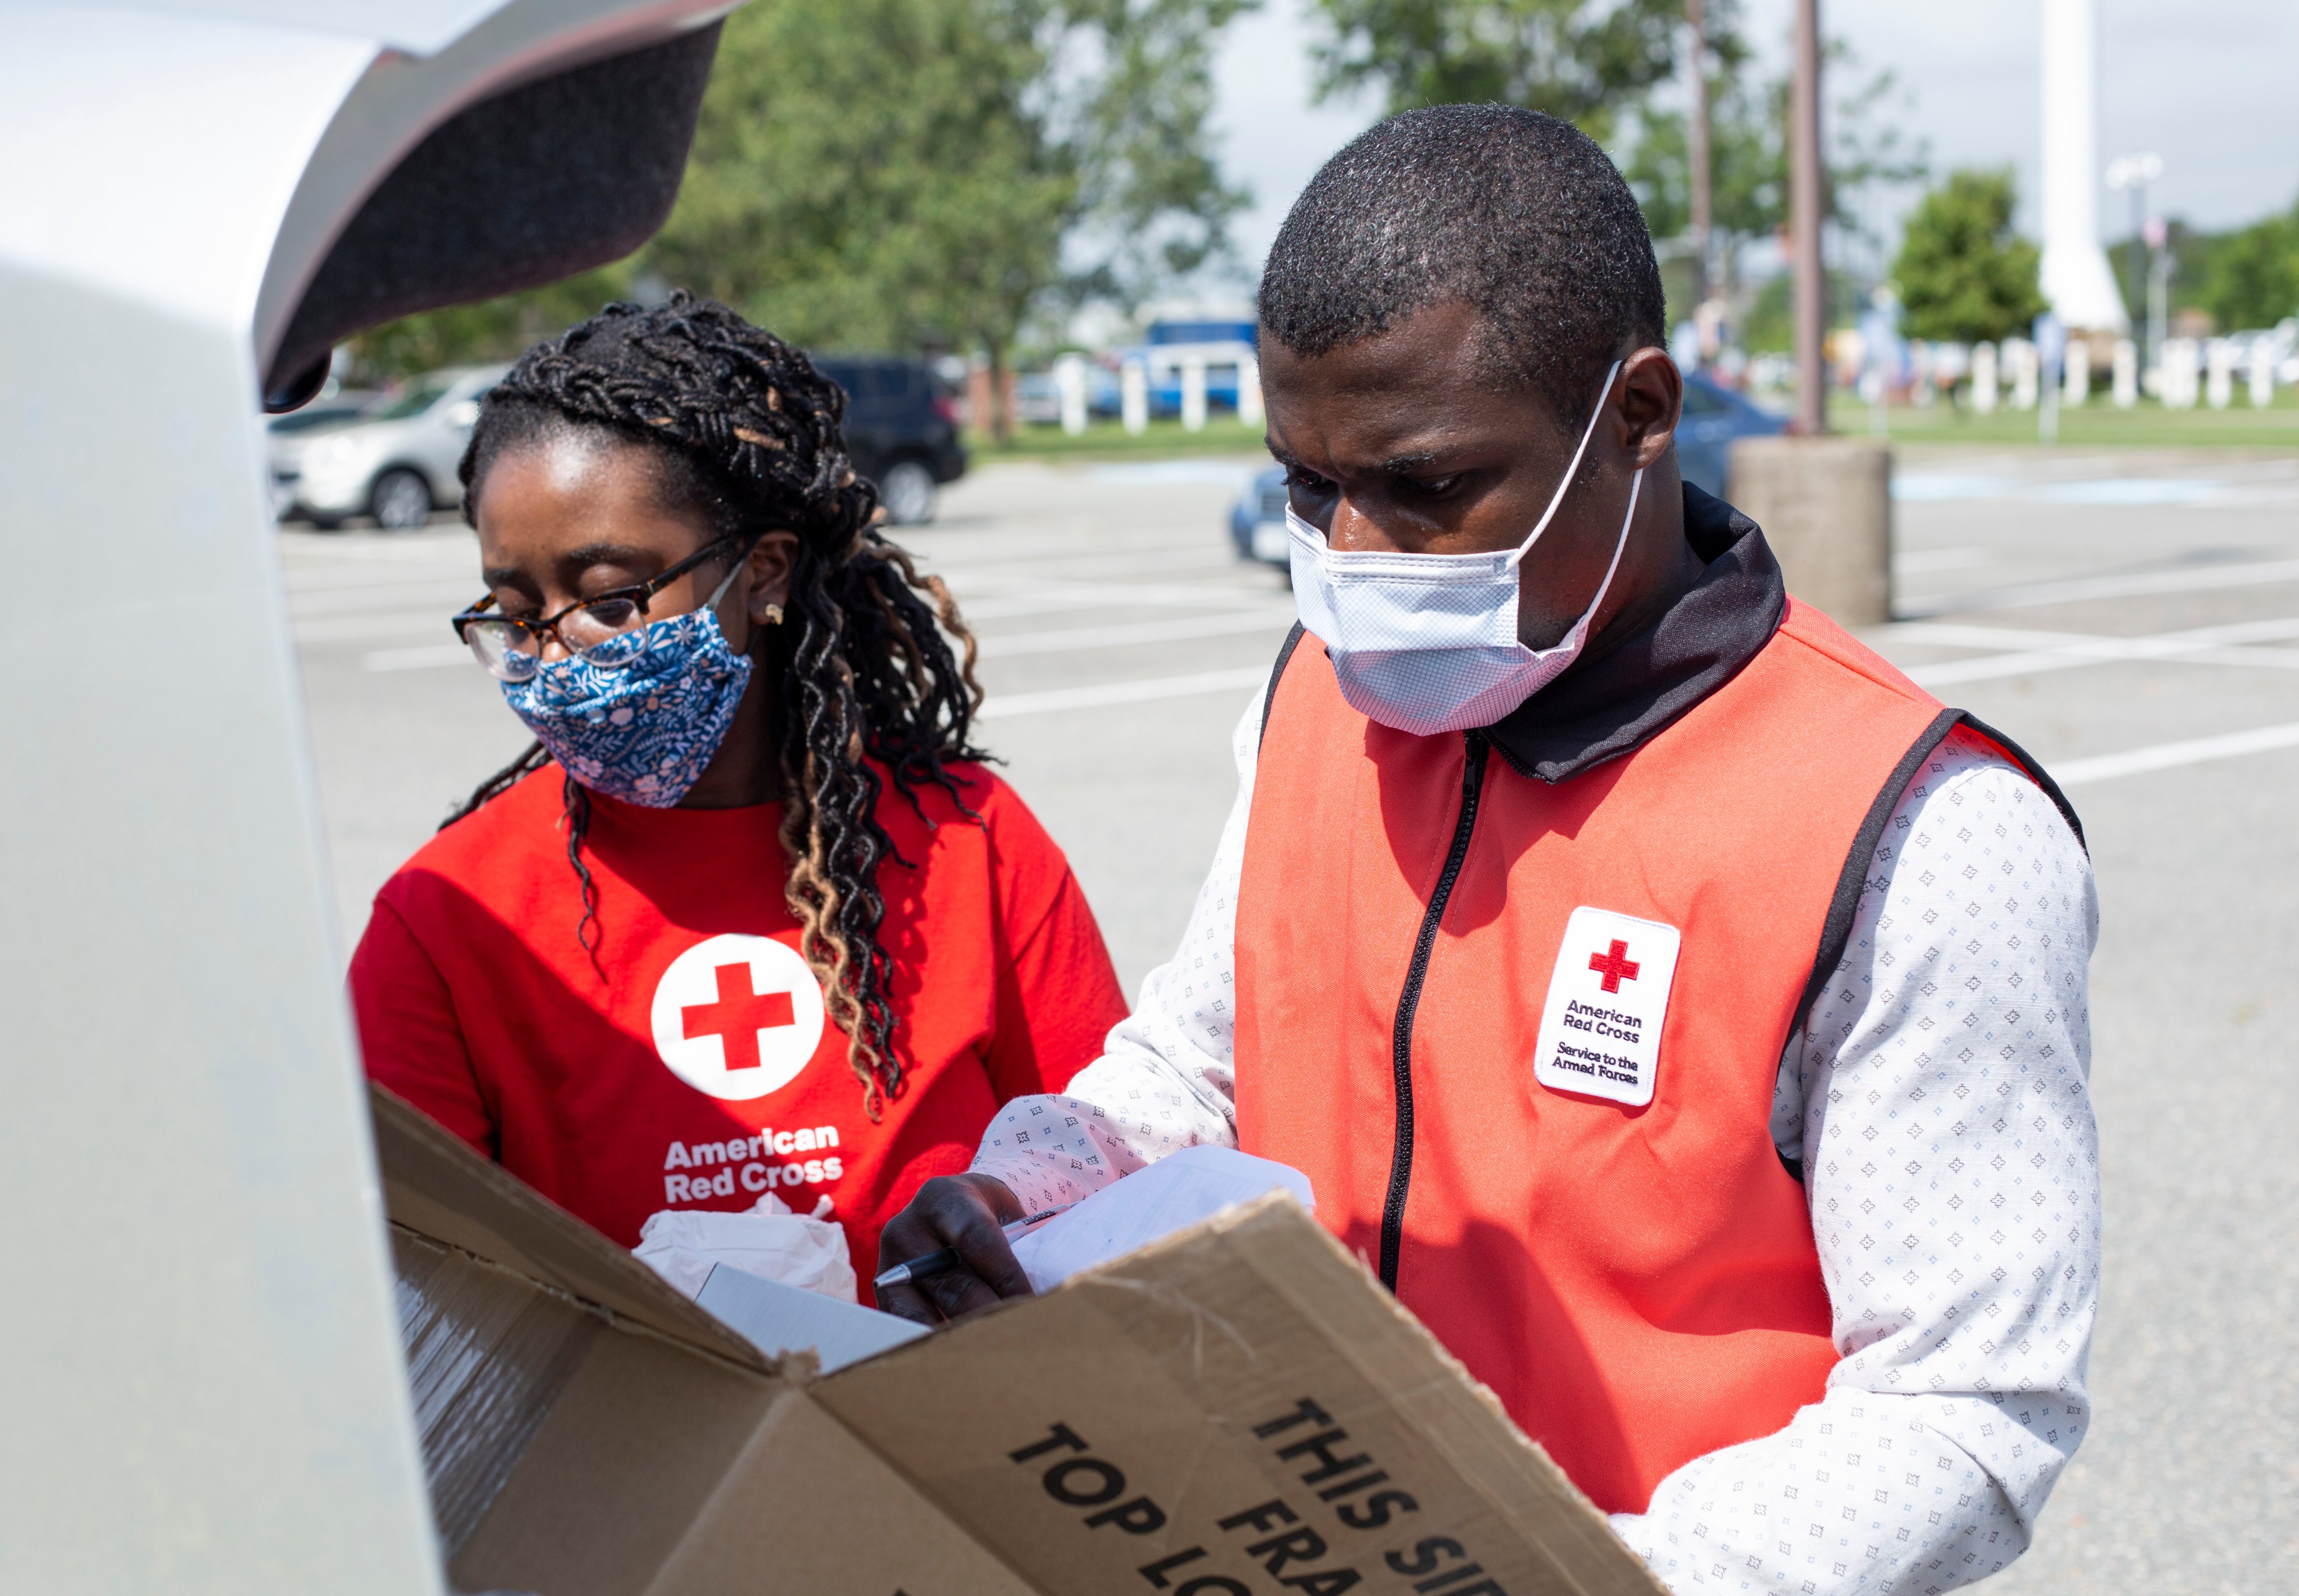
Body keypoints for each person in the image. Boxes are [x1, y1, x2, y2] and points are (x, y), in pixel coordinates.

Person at [880, 108, 2099, 1596]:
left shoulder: (1916, 831)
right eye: (1304, 485)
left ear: (1637, 413)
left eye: (1427, 487)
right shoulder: (1311, 698)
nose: (1351, 558)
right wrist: (1028, 1188)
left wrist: (1577, 1577)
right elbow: (1199, 1061)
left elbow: (1968, 1409)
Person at [351, 295, 1127, 1300]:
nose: (555, 654)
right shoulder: (446, 920)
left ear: (762, 573)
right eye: (515, 614)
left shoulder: (969, 844)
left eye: (612, 598)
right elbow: (410, 1293)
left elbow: (1110, 1161)